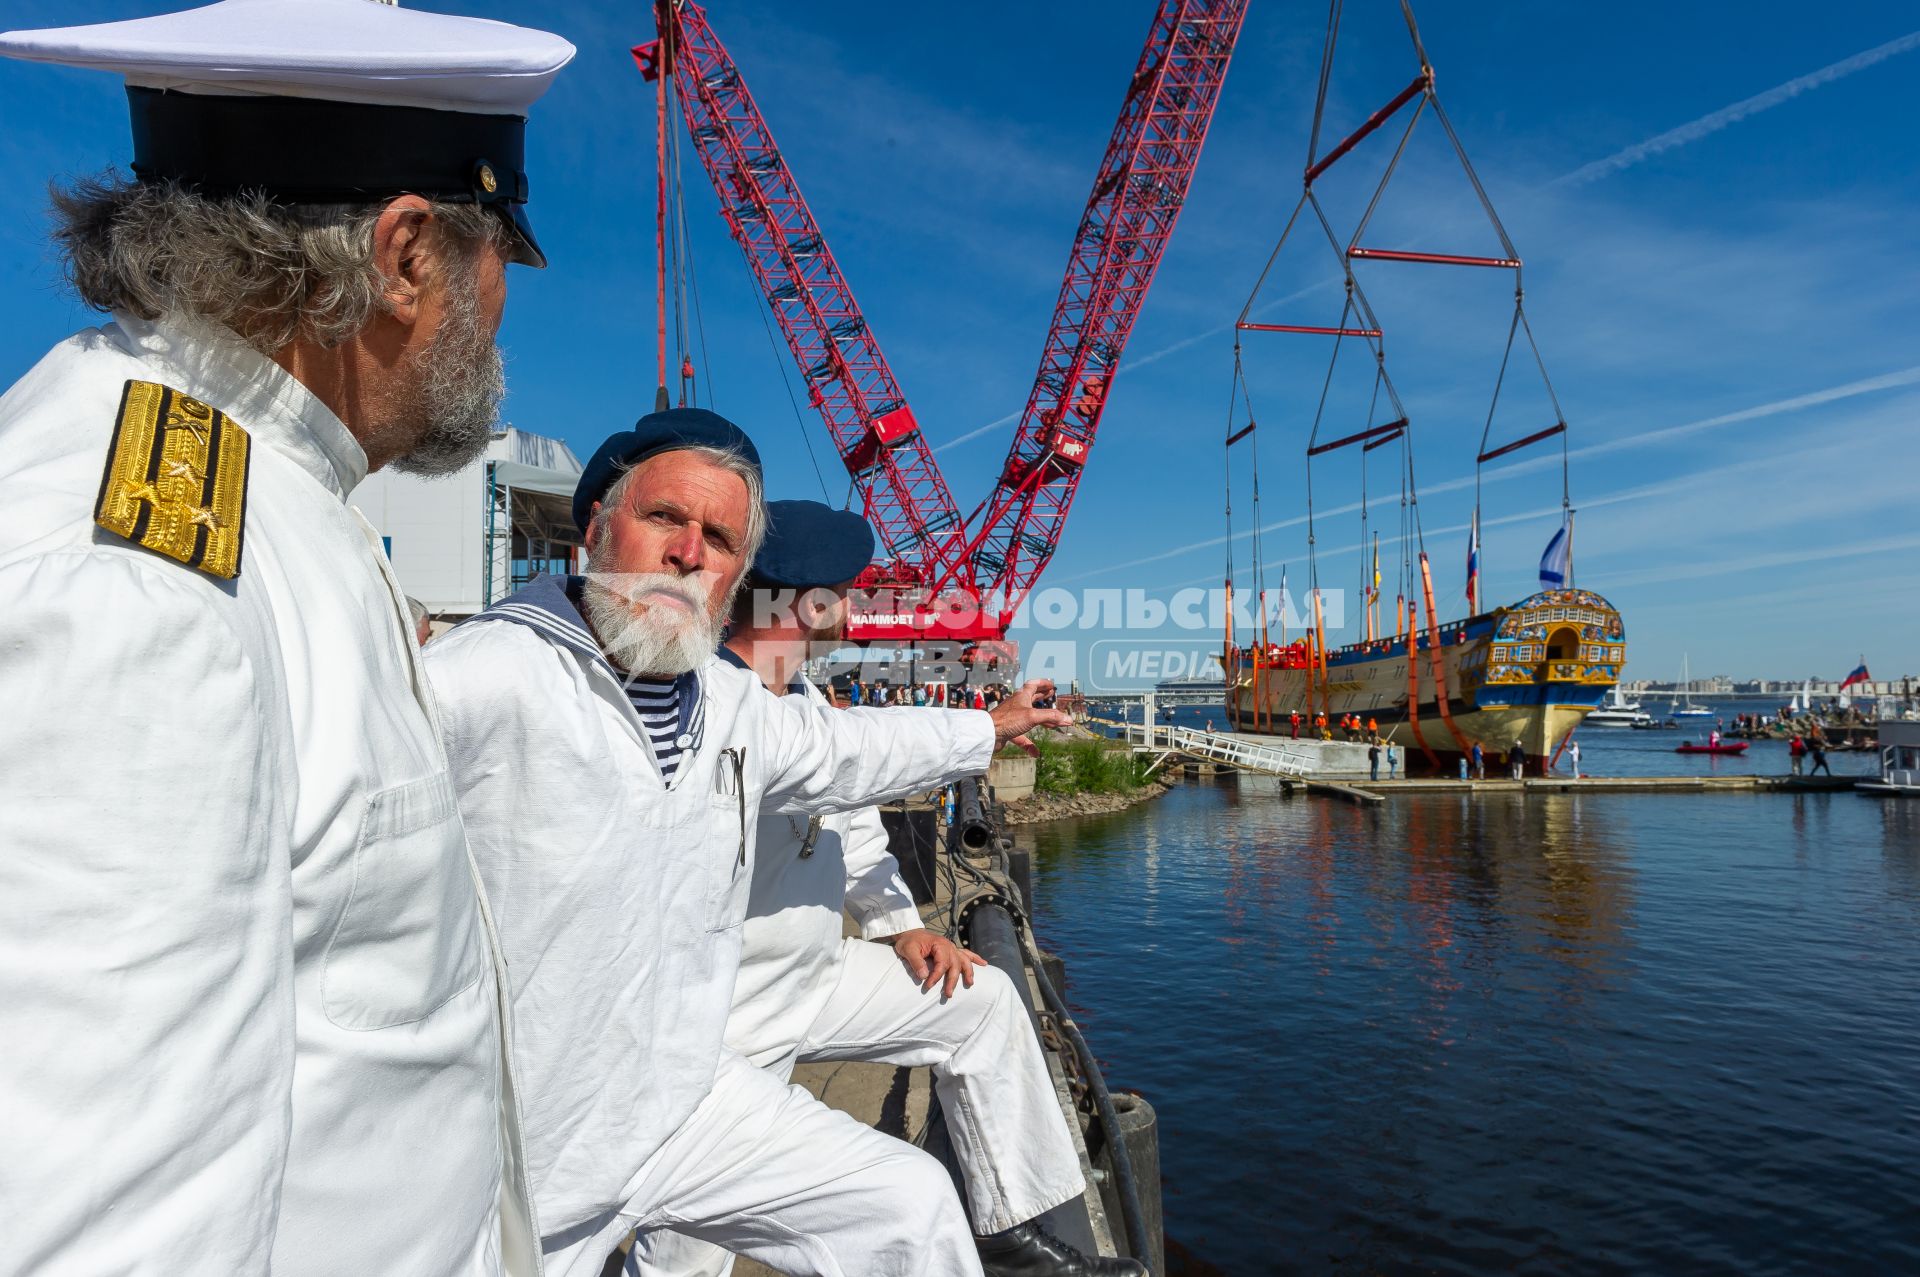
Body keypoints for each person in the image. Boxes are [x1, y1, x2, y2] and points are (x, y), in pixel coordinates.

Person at [0, 5, 572, 1273]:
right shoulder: (140, 586)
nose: (503, 312)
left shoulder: (255, 499)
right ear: (409, 252)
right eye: (501, 261)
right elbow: (110, 1230)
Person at [427, 412, 1074, 1277]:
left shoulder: (732, 702)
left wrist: (984, 728)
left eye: (719, 536)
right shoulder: (481, 676)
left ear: (735, 574)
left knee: (911, 1209)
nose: (690, 551)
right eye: (664, 518)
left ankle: (1021, 1234)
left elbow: (853, 762)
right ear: (594, 529)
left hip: (682, 1085)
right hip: (541, 1135)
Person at [633, 500, 1138, 1277]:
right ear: (808, 603)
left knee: (986, 1003)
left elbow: (855, 822)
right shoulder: (708, 697)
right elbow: (847, 757)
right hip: (723, 1020)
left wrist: (900, 925)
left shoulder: (800, 696)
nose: (856, 606)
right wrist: (988, 728)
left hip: (810, 973)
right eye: (845, 591)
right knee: (682, 1254)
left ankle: (1011, 1236)